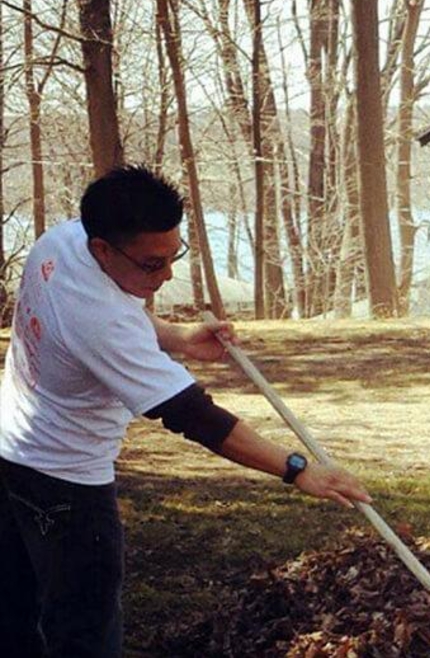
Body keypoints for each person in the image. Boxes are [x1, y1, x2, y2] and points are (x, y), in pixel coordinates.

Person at [0, 165, 372, 658]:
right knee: (85, 630)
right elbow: (195, 418)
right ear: (103, 250)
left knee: (15, 613)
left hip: (11, 448)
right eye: (153, 265)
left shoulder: (61, 241)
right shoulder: (103, 324)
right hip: (66, 484)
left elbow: (117, 302)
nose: (168, 274)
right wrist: (298, 469)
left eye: (174, 255)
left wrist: (177, 338)